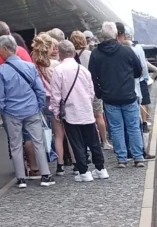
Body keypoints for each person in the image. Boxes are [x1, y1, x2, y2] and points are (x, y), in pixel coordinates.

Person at [0, 34, 53, 188]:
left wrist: (4, 110)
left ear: (6, 49)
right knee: (38, 142)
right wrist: (38, 105)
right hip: (32, 110)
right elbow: (40, 90)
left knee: (16, 145)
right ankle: (45, 175)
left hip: (12, 113)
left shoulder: (0, 70)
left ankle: (21, 178)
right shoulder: (30, 66)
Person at [88, 22, 146, 168]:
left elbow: (92, 77)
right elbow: (139, 71)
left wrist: (100, 92)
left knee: (116, 128)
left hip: (109, 98)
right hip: (128, 95)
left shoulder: (95, 54)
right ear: (115, 34)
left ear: (102, 35)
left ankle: (122, 158)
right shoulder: (126, 51)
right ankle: (138, 157)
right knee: (133, 127)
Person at [50, 41, 107, 182]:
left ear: (61, 54)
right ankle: (101, 169)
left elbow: (56, 94)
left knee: (77, 143)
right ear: (74, 53)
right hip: (86, 110)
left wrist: (56, 111)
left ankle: (84, 172)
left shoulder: (59, 70)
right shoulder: (83, 69)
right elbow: (91, 91)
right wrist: (86, 102)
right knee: (93, 141)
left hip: (70, 112)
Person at [32, 33, 71, 174]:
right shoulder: (54, 65)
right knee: (61, 134)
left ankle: (48, 166)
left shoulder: (34, 64)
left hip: (40, 102)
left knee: (42, 134)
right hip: (54, 101)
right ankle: (67, 164)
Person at [0, 20, 32, 119]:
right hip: (26, 98)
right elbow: (33, 74)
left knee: (13, 133)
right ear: (9, 33)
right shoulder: (21, 50)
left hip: (5, 101)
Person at [75, 30, 111, 150]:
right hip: (93, 88)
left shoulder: (70, 56)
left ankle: (89, 143)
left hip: (79, 92)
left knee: (85, 118)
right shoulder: (90, 54)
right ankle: (104, 141)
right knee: (99, 116)